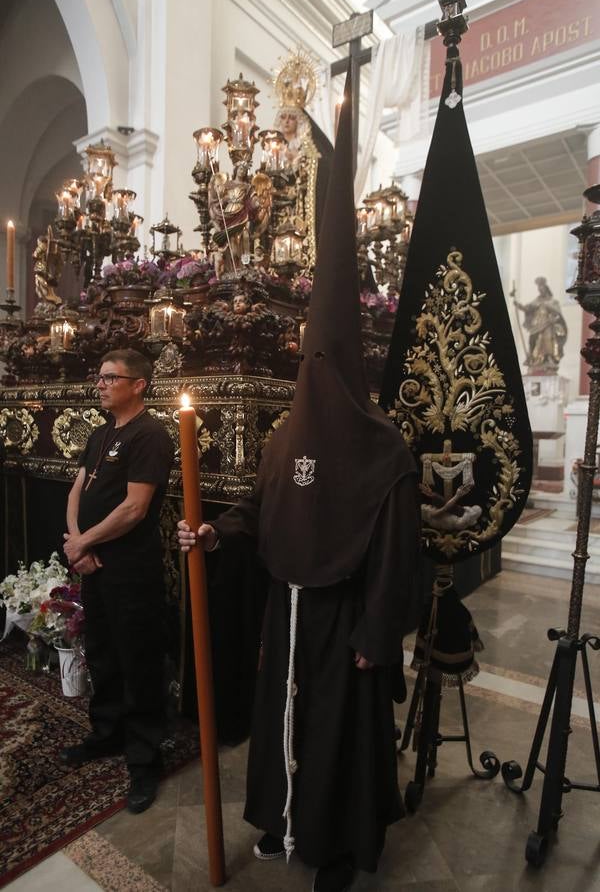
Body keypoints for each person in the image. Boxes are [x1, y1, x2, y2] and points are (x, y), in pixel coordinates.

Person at [179, 72, 421, 892]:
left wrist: (376, 639)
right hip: (288, 608)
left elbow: (394, 557)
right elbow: (264, 503)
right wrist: (218, 530)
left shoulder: (384, 448)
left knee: (339, 733)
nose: (313, 371)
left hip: (345, 617)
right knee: (283, 722)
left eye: (326, 361)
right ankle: (283, 822)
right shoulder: (286, 433)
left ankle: (342, 845)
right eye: (306, 361)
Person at [61, 348, 174, 814]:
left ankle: (146, 758)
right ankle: (106, 734)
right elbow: (78, 488)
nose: (101, 384)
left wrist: (84, 542)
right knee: (104, 653)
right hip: (94, 564)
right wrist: (77, 543)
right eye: (100, 377)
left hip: (130, 570)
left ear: (138, 384)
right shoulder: (101, 433)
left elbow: (134, 508)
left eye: (111, 378)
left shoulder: (150, 435)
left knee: (138, 660)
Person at [512, 276, 567, 372]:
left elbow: (558, 315)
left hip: (548, 325)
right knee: (532, 340)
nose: (540, 291)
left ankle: (550, 359)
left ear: (546, 289)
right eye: (539, 289)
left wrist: (553, 319)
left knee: (548, 340)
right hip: (537, 325)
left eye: (542, 288)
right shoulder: (536, 301)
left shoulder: (553, 301)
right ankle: (532, 360)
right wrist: (517, 303)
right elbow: (527, 308)